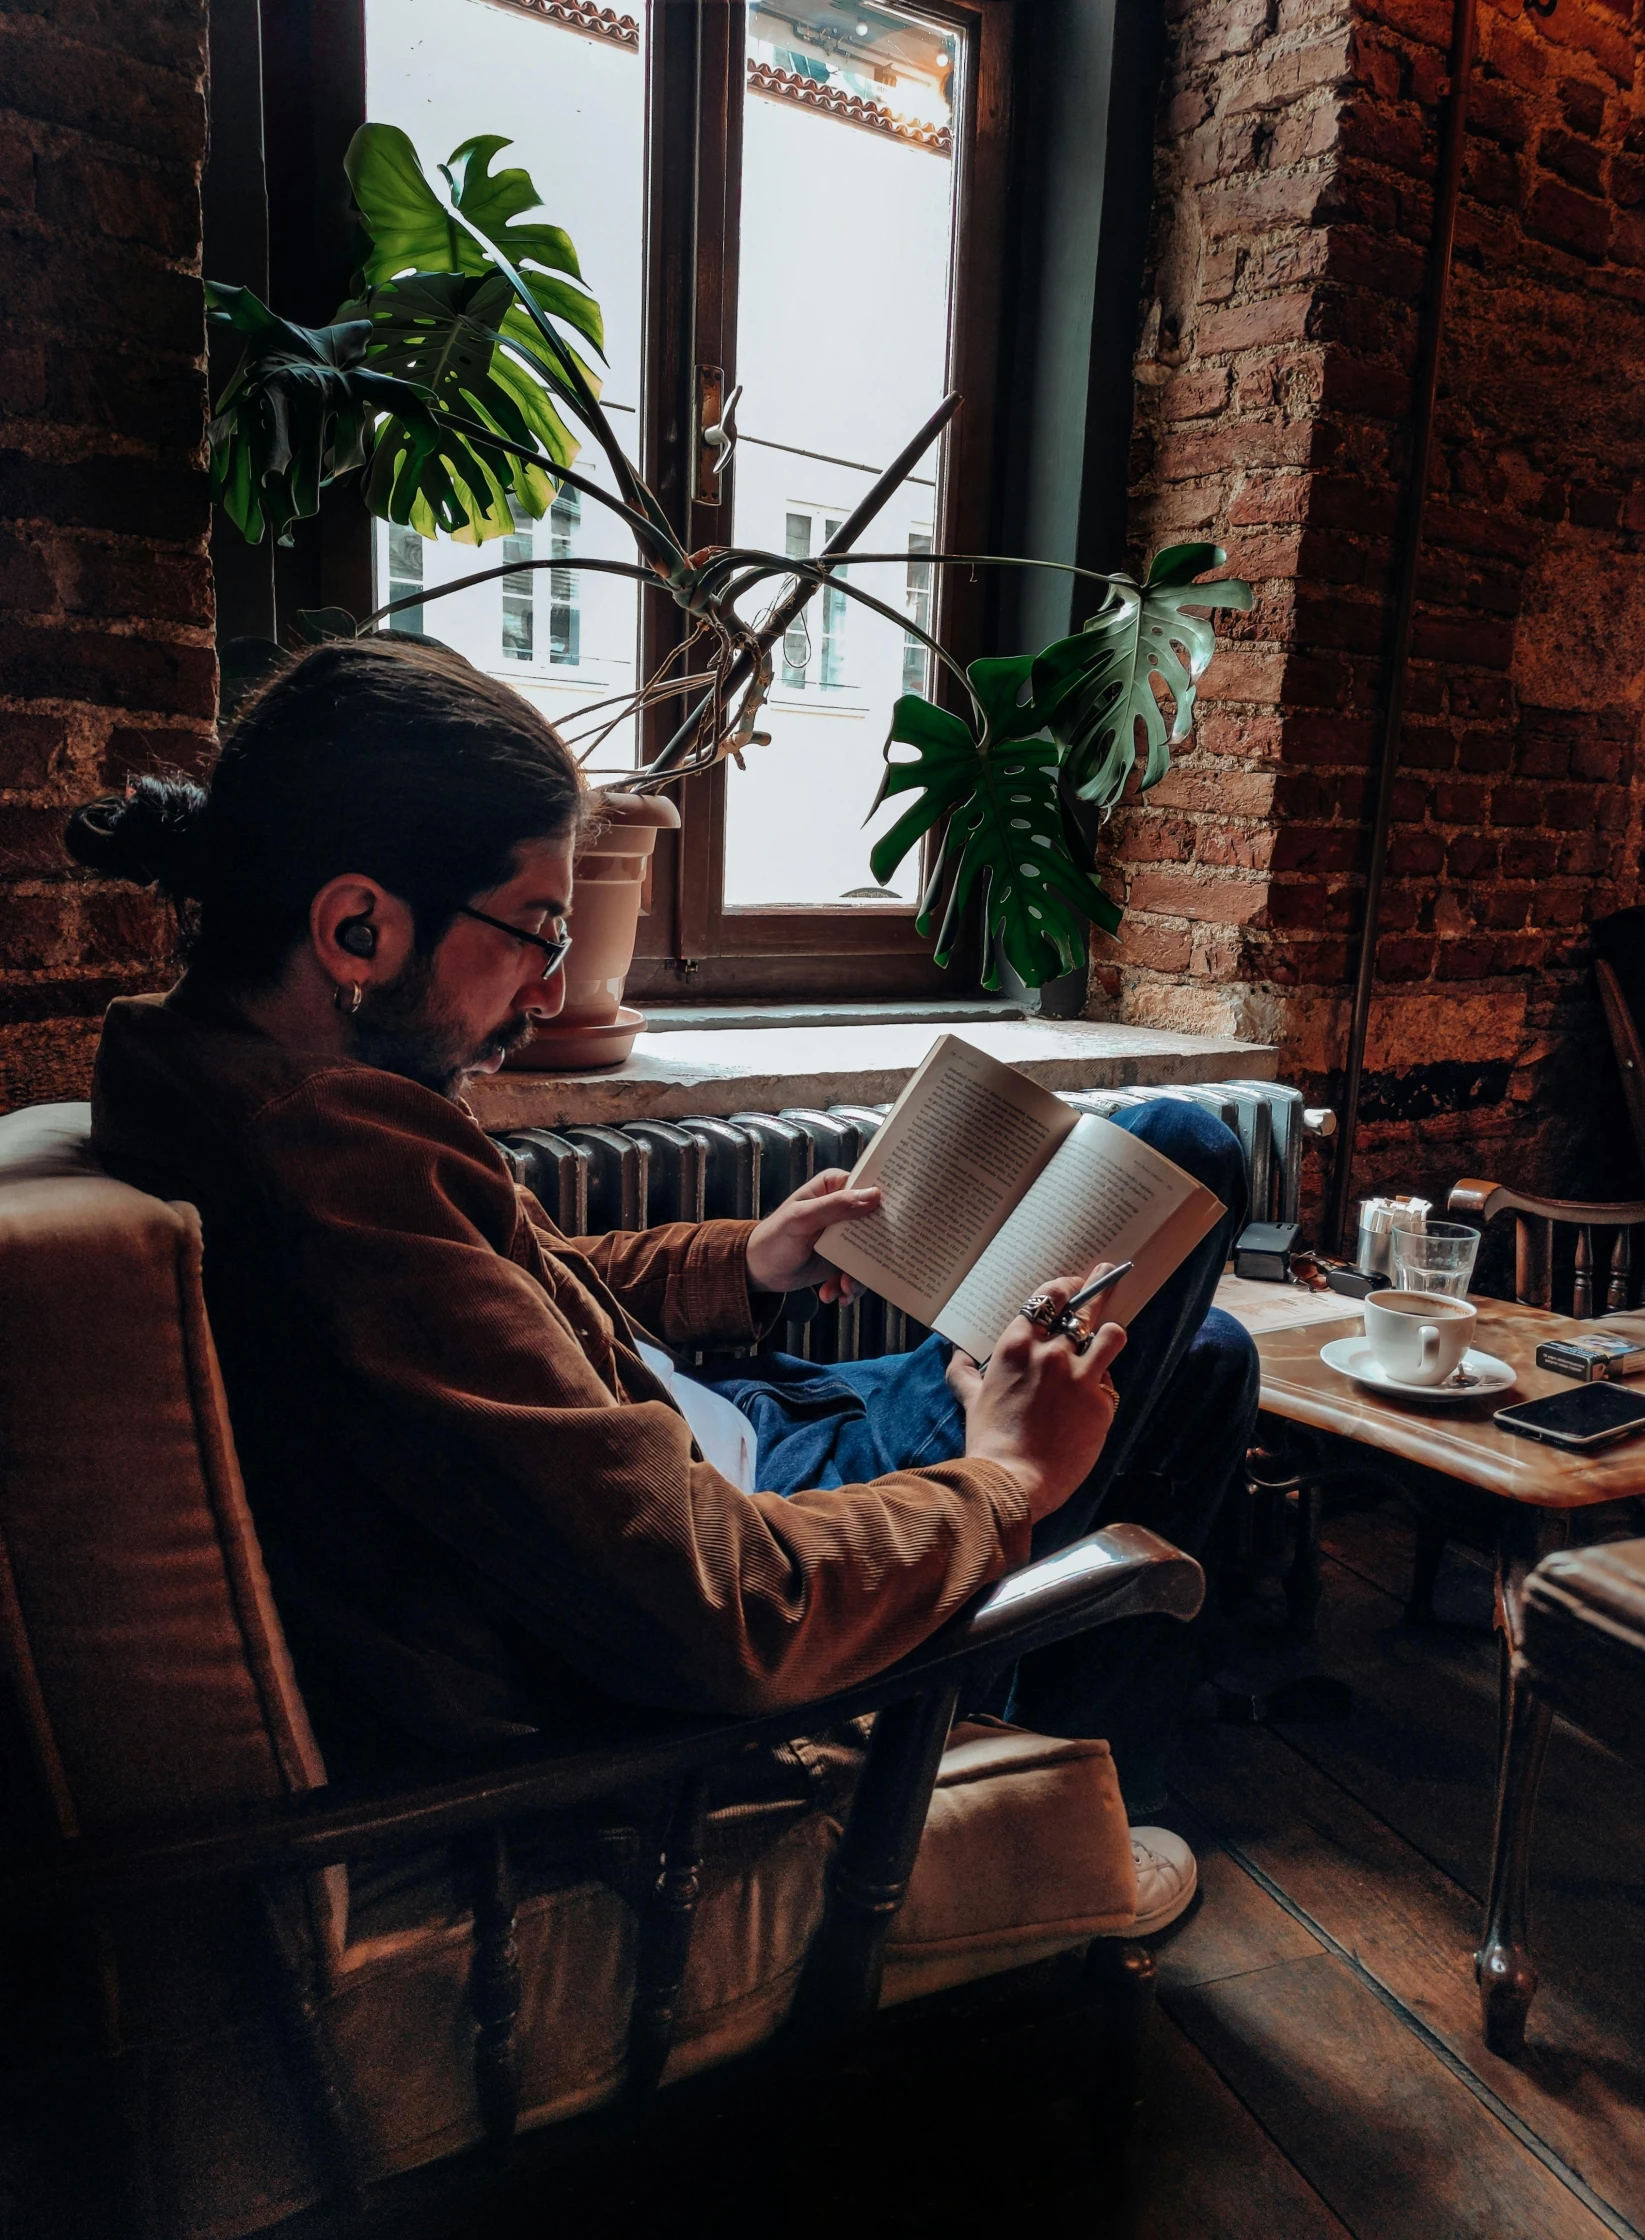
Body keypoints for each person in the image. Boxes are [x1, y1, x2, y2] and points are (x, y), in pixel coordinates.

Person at [68, 637, 1257, 1931]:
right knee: (1186, 1164)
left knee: (1193, 1360)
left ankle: (1058, 1778)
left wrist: (737, 1264)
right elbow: (725, 1609)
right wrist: (1007, 1478)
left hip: (716, 1422)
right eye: (533, 931)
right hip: (748, 1526)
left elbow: (512, 1297)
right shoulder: (331, 1190)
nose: (559, 986)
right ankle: (1055, 1831)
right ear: (357, 925)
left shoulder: (262, 1095)